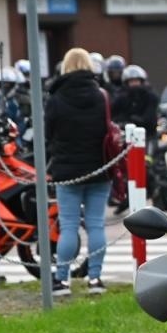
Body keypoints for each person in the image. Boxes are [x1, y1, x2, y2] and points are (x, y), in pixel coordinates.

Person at [43, 48, 112, 295]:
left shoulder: (56, 98)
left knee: (69, 226)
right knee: (96, 225)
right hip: (99, 168)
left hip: (67, 171)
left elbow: (47, 133)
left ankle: (62, 280)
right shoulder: (101, 95)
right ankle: (95, 279)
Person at [112, 64, 160, 141]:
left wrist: (134, 120)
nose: (134, 84)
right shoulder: (120, 98)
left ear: (142, 82)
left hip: (148, 136)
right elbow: (114, 116)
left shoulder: (150, 97)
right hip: (125, 136)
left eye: (136, 81)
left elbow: (150, 118)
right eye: (131, 81)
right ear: (126, 83)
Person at [0, 67, 27, 133]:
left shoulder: (18, 100)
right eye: (2, 84)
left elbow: (21, 120)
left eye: (8, 84)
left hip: (15, 133)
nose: (5, 87)